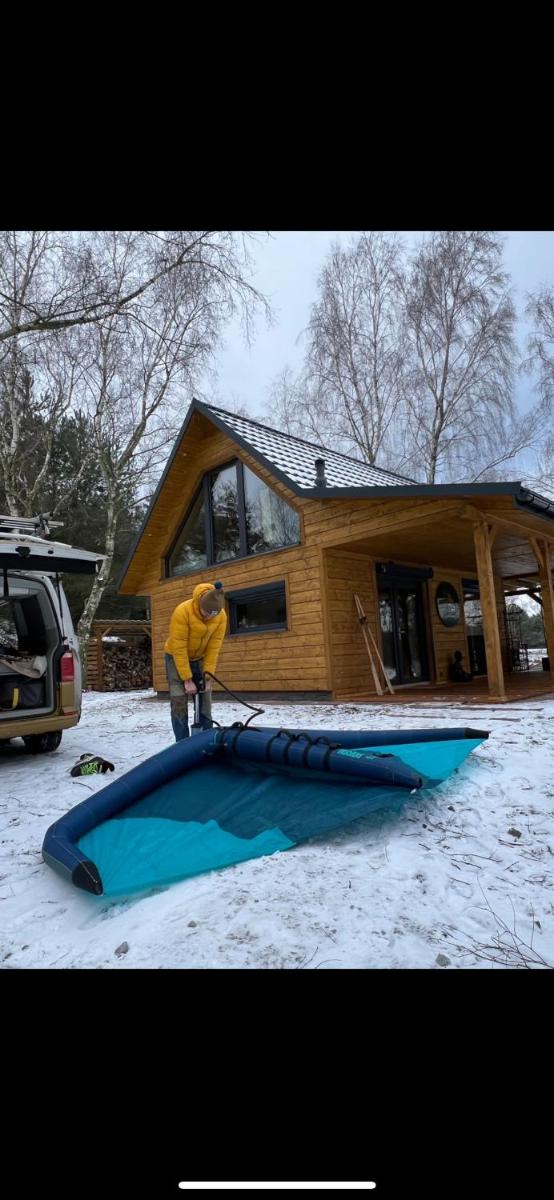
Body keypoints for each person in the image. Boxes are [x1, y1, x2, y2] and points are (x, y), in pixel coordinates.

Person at [164, 581, 227, 741]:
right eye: (206, 612)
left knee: (205, 699)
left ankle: (207, 741)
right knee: (179, 701)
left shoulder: (220, 616)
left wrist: (208, 677)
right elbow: (179, 648)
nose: (208, 616)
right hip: (175, 656)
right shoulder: (183, 611)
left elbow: (214, 648)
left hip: (200, 658)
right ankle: (182, 743)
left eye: (213, 614)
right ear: (199, 603)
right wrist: (187, 679)